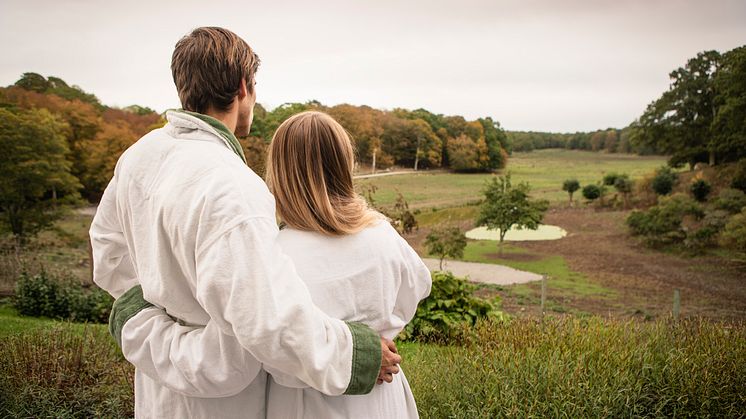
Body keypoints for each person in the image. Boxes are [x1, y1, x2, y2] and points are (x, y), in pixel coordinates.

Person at [90, 27, 401, 418]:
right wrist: (355, 354)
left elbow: (107, 248)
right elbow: (267, 320)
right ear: (243, 87)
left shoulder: (140, 156)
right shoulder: (233, 187)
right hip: (218, 402)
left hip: (155, 391)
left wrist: (146, 321)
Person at [111, 111, 432, 418]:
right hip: (385, 395)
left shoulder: (278, 253)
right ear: (345, 163)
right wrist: (381, 331)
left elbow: (261, 345)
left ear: (278, 172)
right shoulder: (383, 232)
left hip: (307, 405)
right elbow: (417, 287)